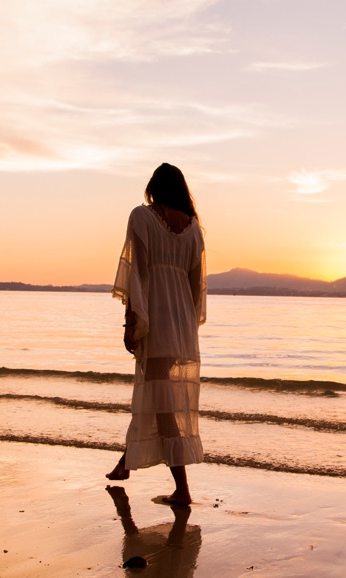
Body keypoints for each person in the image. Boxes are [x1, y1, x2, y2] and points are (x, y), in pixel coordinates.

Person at [106, 163, 207, 506]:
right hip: (181, 326)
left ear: (153, 187)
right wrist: (187, 326)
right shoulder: (195, 231)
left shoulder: (142, 217)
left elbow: (139, 274)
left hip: (158, 322)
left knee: (162, 405)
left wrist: (132, 321)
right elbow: (196, 291)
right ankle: (125, 463)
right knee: (156, 398)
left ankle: (182, 489)